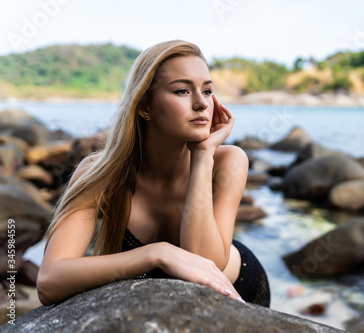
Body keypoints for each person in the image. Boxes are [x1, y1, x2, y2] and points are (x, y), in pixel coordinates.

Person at [37, 40, 270, 307]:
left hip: (242, 289)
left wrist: (204, 155)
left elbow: (205, 264)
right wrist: (157, 254)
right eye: (182, 91)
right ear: (145, 106)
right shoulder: (100, 173)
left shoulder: (228, 160)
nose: (201, 104)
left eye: (207, 91)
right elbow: (49, 281)